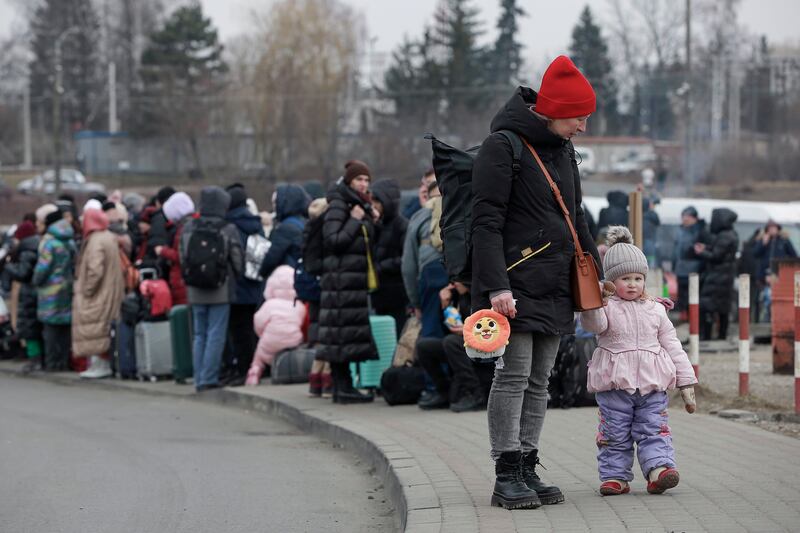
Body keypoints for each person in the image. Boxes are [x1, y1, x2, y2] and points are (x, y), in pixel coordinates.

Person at [471, 55, 601, 509]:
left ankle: (527, 465)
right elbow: (485, 222)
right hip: (513, 284)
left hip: (557, 281)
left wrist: (596, 283)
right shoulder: (503, 146)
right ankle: (505, 472)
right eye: (579, 116)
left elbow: (576, 215)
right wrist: (496, 286)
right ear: (555, 109)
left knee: (540, 380)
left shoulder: (564, 151)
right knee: (513, 375)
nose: (583, 126)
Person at [580, 226, 697, 496]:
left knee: (653, 428)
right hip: (614, 385)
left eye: (637, 278)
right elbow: (593, 326)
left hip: (653, 384)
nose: (632, 284)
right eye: (624, 279)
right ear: (611, 281)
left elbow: (672, 345)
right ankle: (615, 477)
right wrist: (593, 301)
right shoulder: (605, 307)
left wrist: (686, 381)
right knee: (614, 433)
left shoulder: (656, 309)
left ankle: (659, 470)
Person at [317, 160, 379, 404]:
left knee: (346, 334)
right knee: (340, 335)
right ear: (349, 182)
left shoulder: (358, 204)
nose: (363, 184)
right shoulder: (340, 205)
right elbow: (333, 240)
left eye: (366, 180)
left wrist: (372, 218)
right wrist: (355, 220)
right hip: (340, 283)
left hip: (351, 281)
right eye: (359, 180)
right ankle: (342, 388)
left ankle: (344, 387)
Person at [180, 187, 244, 392]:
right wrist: (237, 276)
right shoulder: (228, 228)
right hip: (220, 288)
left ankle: (199, 377)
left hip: (195, 288)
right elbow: (237, 258)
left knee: (199, 334)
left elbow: (183, 256)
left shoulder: (189, 227)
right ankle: (209, 377)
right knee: (216, 333)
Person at [415, 282, 492, 412]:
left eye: (456, 279)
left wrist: (468, 329)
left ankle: (476, 394)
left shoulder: (481, 294)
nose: (453, 283)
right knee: (424, 346)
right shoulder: (455, 296)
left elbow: (491, 327)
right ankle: (443, 392)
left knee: (451, 342)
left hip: (484, 346)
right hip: (463, 344)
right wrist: (445, 304)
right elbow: (447, 327)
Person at [220, 184, 267, 386]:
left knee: (238, 333)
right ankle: (254, 368)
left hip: (235, 285)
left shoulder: (230, 226)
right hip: (255, 284)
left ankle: (243, 370)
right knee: (250, 330)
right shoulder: (255, 223)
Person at [71, 208, 125, 379]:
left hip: (98, 293)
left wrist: (86, 290)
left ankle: (99, 366)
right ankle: (102, 364)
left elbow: (95, 270)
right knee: (104, 328)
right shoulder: (109, 237)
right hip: (111, 290)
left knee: (96, 329)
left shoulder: (95, 241)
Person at [32, 205, 76, 372]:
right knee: (65, 327)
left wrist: (36, 280)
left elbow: (42, 268)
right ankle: (64, 362)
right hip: (67, 287)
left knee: (50, 327)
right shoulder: (70, 240)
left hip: (49, 290)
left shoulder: (49, 242)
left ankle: (52, 364)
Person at [401, 181, 448, 339]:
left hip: (431, 277)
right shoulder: (460, 208)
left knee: (431, 335)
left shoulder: (419, 217)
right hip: (460, 278)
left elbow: (408, 267)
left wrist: (416, 303)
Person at [246, 265, 306, 386]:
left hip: (269, 343)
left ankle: (255, 371)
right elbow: (303, 325)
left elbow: (258, 322)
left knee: (259, 355)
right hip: (293, 343)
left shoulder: (269, 305)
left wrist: (262, 335)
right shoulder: (299, 306)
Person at [370, 178, 409, 335]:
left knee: (397, 333)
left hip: (397, 294)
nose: (373, 205)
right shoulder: (374, 225)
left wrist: (381, 267)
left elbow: (405, 259)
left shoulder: (402, 225)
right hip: (378, 294)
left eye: (377, 201)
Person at [694, 208, 739, 341]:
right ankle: (721, 336)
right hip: (724, 276)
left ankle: (706, 336)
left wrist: (701, 252)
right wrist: (707, 248)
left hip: (718, 277)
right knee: (722, 308)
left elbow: (717, 256)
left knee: (707, 306)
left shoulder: (725, 235)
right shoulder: (731, 234)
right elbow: (720, 251)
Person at [5, 220, 42, 372]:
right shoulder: (36, 246)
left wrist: (8, 265)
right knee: (33, 327)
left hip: (29, 294)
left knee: (29, 328)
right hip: (35, 293)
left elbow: (23, 273)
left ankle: (35, 359)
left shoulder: (26, 252)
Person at [258, 184, 310, 280]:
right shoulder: (303, 222)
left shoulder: (286, 228)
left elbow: (272, 257)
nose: (274, 207)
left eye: (275, 202)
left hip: (288, 279)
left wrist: (261, 273)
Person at [753, 219, 797, 321]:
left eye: (774, 228)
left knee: (775, 299)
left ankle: (777, 319)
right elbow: (755, 254)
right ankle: (765, 320)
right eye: (770, 228)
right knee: (766, 299)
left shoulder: (784, 241)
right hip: (765, 275)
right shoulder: (763, 240)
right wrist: (763, 243)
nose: (772, 230)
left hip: (779, 275)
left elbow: (793, 256)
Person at [158, 191, 196, 306]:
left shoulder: (183, 229)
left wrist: (162, 251)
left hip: (181, 282)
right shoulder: (196, 223)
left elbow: (181, 255)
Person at [671, 206, 710, 314]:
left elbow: (704, 251)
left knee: (693, 296)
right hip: (681, 269)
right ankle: (684, 318)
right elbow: (676, 250)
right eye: (683, 216)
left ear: (695, 218)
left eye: (687, 217)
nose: (685, 219)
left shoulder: (701, 231)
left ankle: (692, 320)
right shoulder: (680, 231)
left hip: (695, 270)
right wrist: (674, 265)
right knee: (682, 297)